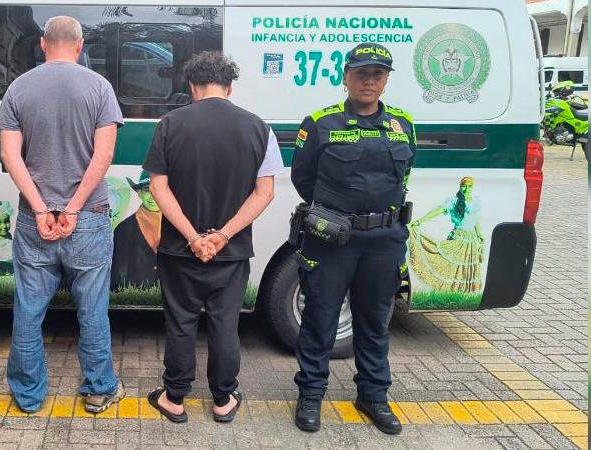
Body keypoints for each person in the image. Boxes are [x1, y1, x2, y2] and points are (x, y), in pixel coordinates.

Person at [141, 51, 281, 423]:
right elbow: (265, 192)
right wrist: (221, 236)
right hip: (231, 252)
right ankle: (222, 400)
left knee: (181, 321)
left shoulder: (170, 123)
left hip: (179, 250)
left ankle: (174, 398)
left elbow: (158, 187)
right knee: (225, 323)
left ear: (192, 87)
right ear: (229, 86)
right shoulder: (259, 127)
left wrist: (192, 237)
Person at [0, 16, 124, 415]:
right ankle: (99, 389)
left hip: (35, 221)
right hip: (87, 217)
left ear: (42, 44)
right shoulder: (100, 87)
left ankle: (29, 396)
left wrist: (39, 208)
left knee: (29, 310)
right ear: (81, 44)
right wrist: (72, 207)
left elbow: (9, 155)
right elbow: (103, 156)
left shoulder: (18, 88)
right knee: (92, 309)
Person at [289, 42, 415, 435]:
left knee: (375, 321)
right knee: (319, 320)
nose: (369, 80)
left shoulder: (403, 124)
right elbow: (302, 179)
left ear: (386, 80)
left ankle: (373, 396)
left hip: (384, 241)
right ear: (345, 77)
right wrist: (335, 215)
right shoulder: (320, 123)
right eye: (361, 73)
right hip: (332, 241)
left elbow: (404, 176)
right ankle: (310, 395)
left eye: (377, 74)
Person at [408, 177, 484, 294]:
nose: (466, 189)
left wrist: (479, 234)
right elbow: (438, 210)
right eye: (464, 186)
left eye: (469, 186)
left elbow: (476, 219)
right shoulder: (454, 201)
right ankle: (450, 291)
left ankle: (463, 294)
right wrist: (420, 220)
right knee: (451, 265)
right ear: (460, 187)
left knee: (466, 267)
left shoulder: (475, 202)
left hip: (471, 240)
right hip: (459, 238)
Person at [109, 171, 162, 292]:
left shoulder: (176, 227)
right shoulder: (123, 229)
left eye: (158, 189)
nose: (153, 195)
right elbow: (118, 274)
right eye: (147, 190)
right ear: (139, 193)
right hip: (135, 299)